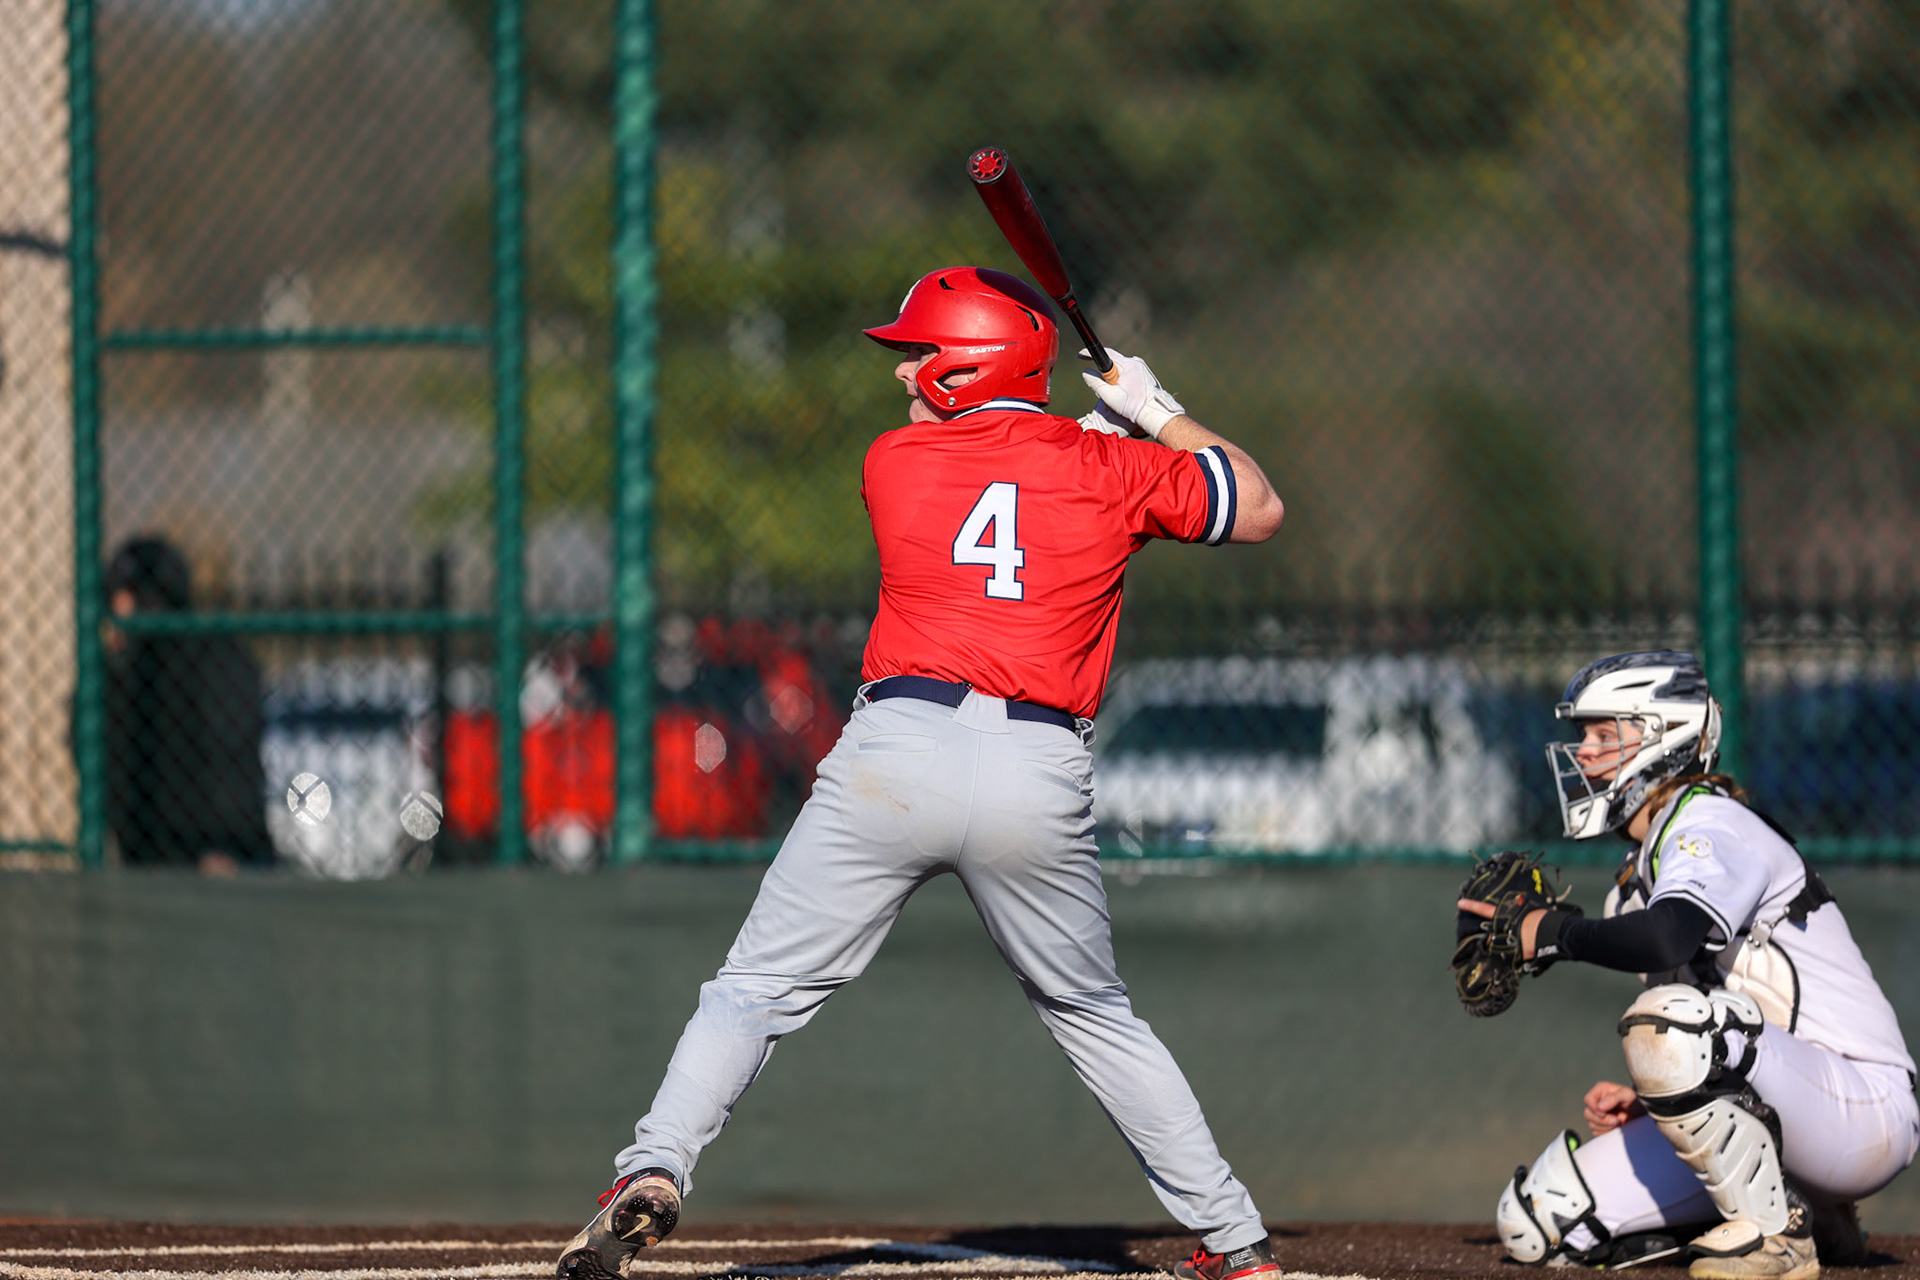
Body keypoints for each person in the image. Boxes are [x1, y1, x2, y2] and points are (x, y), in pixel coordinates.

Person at [557, 266, 1285, 1280]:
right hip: (1037, 762)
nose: (906, 371)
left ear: (967, 363)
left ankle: (656, 1161)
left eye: (922, 352)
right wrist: (1153, 411)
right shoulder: (1103, 466)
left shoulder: (894, 461)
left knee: (754, 988)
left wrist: (1106, 436)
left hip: (893, 754)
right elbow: (1256, 505)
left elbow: (1009, 484)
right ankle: (1234, 1237)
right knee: (1091, 1011)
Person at [1463, 651, 1917, 1279]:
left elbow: (1669, 939)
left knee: (1672, 1026)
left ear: (1666, 737)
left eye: (1604, 734)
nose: (1585, 753)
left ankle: (1776, 1240)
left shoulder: (1709, 821)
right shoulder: (1639, 873)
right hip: (1783, 1100)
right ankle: (1808, 1209)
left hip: (1864, 1109)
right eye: (1583, 736)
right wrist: (1665, 1103)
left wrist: (1553, 933)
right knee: (1540, 1218)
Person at [95, 535, 274, 873]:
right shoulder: (115, 676)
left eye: (132, 599)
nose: (120, 612)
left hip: (214, 854)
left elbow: (231, 758)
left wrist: (223, 848)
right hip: (147, 858)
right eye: (115, 601)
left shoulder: (211, 660)